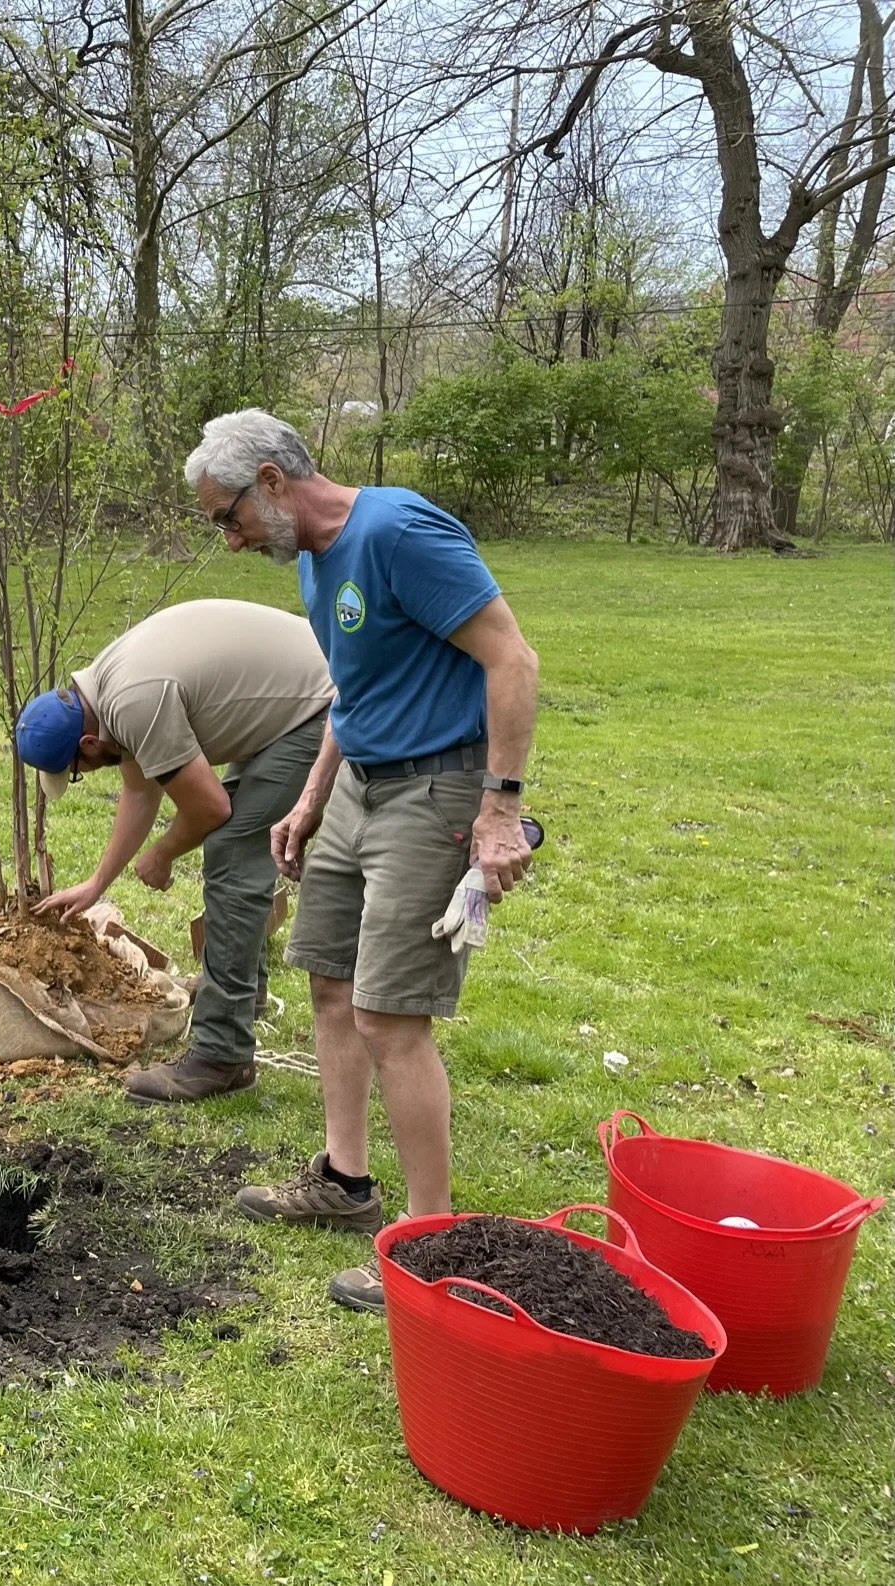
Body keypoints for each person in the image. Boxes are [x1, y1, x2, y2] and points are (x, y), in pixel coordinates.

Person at [184, 409, 538, 1314]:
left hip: (436, 791)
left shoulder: (398, 533)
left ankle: (428, 1246)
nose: (226, 541)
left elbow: (510, 658)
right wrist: (308, 800)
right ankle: (344, 1181)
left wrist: (500, 810)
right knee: (329, 984)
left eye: (226, 516)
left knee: (391, 1018)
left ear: (269, 479)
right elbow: (355, 687)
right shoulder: (309, 560)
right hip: (356, 786)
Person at [14, 600, 335, 1103]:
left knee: (230, 853)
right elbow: (141, 789)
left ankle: (222, 1055)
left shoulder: (133, 702)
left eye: (74, 770)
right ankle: (241, 998)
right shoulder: (103, 690)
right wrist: (99, 882)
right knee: (236, 846)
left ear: (91, 743)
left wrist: (162, 853)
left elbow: (210, 811)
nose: (79, 777)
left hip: (322, 708)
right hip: (294, 702)